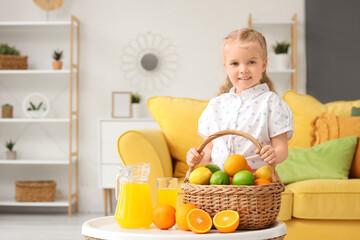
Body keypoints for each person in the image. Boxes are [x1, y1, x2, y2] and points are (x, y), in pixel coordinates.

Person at [186, 28, 294, 171]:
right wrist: (197, 157)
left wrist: (274, 154)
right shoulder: (216, 105)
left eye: (251, 62)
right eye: (235, 64)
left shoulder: (271, 102)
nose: (243, 69)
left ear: (263, 65)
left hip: (256, 182)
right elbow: (209, 150)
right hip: (220, 183)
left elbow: (281, 148)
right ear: (226, 68)